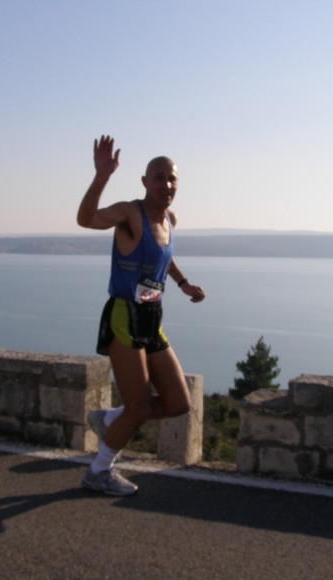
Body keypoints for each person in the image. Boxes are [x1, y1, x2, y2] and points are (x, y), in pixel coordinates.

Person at [77, 135, 206, 495]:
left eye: (172, 178)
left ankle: (111, 418)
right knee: (138, 407)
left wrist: (183, 284)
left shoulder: (170, 220)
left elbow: (165, 259)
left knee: (179, 402)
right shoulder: (129, 213)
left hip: (152, 318)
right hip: (123, 316)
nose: (167, 184)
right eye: (159, 177)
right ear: (145, 181)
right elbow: (85, 219)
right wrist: (101, 176)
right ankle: (98, 471)